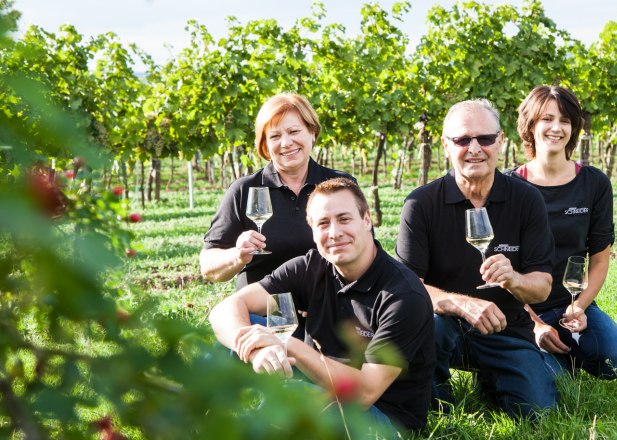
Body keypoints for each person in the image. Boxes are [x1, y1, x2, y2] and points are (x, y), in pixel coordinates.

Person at [209, 178, 435, 433]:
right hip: (318, 379)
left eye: (344, 219)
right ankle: (197, 424)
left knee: (293, 396)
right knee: (239, 337)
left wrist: (286, 343)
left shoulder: (403, 296)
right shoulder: (310, 267)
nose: (334, 232)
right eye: (323, 223)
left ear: (367, 220)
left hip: (380, 418)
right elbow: (226, 309)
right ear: (312, 229)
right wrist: (256, 350)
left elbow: (364, 393)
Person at [395, 98, 558, 419]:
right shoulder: (421, 204)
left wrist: (513, 279)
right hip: (443, 328)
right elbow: (406, 288)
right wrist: (462, 305)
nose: (474, 148)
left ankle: (493, 376)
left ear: (500, 142)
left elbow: (541, 289)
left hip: (508, 329)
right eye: (462, 140)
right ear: (445, 145)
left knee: (537, 412)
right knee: (428, 334)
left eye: (485, 138)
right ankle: (437, 402)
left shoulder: (526, 199)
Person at [508, 85, 617, 379]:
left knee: (614, 361)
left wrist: (579, 306)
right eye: (546, 119)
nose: (556, 128)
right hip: (522, 309)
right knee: (556, 380)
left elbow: (600, 259)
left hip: (571, 303)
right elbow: (502, 271)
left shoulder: (594, 184)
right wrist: (535, 323)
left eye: (565, 120)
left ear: (574, 128)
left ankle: (561, 351)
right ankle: (542, 354)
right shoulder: (509, 188)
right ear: (530, 126)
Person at [201, 93, 355, 290]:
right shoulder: (244, 190)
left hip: (328, 308)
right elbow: (208, 267)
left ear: (312, 132)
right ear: (265, 145)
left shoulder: (341, 186)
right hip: (262, 311)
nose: (286, 143)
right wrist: (238, 255)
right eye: (275, 136)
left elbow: (365, 249)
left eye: (294, 131)